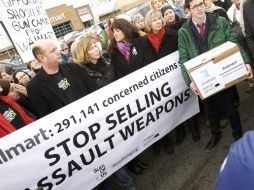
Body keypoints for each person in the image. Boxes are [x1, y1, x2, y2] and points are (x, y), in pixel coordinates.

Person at [178, 0, 252, 152]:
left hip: (222, 74)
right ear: (188, 10)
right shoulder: (183, 32)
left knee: (231, 108)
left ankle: (238, 136)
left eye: (201, 4)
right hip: (202, 79)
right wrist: (189, 81)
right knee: (210, 111)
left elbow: (234, 42)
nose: (199, 8)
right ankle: (215, 134)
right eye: (195, 6)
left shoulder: (220, 21)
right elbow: (183, 59)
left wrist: (245, 61)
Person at [75, 35, 136, 190]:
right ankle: (127, 184)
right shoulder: (81, 73)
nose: (97, 49)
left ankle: (132, 165)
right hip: (102, 120)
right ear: (84, 52)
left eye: (96, 46)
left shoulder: (108, 63)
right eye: (92, 48)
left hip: (118, 112)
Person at [109, 18, 149, 175]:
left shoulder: (139, 42)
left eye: (118, 30)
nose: (115, 33)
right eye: (114, 31)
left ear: (125, 29)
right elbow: (117, 74)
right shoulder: (113, 50)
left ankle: (164, 142)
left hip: (147, 85)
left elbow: (149, 61)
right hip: (131, 93)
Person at [26, 39, 89, 119]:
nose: (58, 51)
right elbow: (46, 117)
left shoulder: (74, 68)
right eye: (53, 51)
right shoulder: (34, 87)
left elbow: (93, 89)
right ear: (42, 58)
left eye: (56, 48)